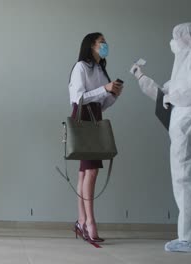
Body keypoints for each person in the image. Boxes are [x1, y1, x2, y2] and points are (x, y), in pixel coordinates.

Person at [130, 23, 191, 252]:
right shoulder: (182, 64)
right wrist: (141, 77)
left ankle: (189, 238)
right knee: (187, 179)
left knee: (185, 179)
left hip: (189, 122)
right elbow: (163, 94)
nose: (172, 43)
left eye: (175, 38)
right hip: (182, 124)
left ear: (184, 38)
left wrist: (173, 97)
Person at [69, 32, 123, 243]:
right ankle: (90, 222)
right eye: (102, 42)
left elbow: (102, 103)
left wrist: (113, 95)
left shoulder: (100, 69)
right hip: (82, 117)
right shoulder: (81, 66)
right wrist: (104, 89)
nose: (105, 45)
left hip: (95, 116)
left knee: (85, 172)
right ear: (91, 45)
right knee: (90, 171)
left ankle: (82, 221)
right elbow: (79, 97)